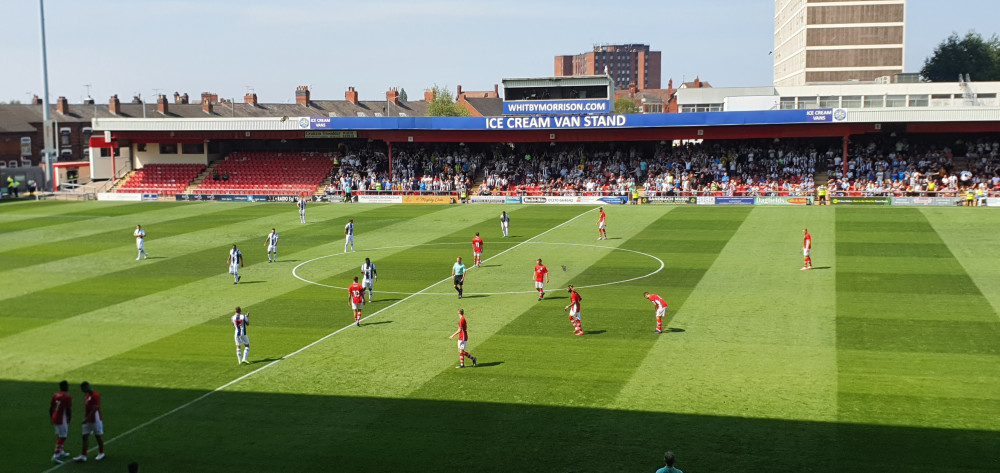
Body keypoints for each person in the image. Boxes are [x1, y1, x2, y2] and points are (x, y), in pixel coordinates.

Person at [73, 381, 106, 462]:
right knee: (84, 436)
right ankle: (83, 455)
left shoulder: (95, 395)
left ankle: (102, 452)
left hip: (95, 420)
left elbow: (95, 408)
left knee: (98, 436)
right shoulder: (87, 395)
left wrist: (87, 418)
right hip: (88, 419)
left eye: (82, 389)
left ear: (87, 387)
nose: (82, 391)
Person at [50, 380, 72, 463]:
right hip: (61, 419)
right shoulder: (67, 397)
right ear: (65, 387)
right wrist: (69, 418)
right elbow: (68, 409)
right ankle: (56, 455)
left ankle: (61, 451)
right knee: (63, 436)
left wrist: (51, 417)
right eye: (67, 385)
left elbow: (51, 407)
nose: (68, 387)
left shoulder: (55, 395)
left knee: (60, 435)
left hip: (55, 417)